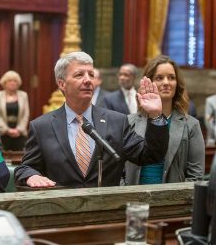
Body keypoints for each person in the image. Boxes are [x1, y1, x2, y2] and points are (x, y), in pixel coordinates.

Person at [14, 51, 169, 188]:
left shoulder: (117, 121)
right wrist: (32, 176)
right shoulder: (41, 127)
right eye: (79, 75)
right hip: (60, 213)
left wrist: (155, 116)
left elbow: (150, 155)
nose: (88, 80)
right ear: (62, 84)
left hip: (107, 213)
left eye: (91, 74)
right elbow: (24, 168)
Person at [125, 55, 205, 185]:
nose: (166, 82)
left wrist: (175, 202)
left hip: (173, 202)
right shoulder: (129, 122)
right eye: (159, 78)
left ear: (177, 83)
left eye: (171, 78)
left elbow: (195, 177)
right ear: (149, 83)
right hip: (133, 201)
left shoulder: (191, 125)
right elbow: (119, 171)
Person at [0, 70, 29, 151]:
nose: (12, 83)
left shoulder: (23, 95)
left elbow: (26, 114)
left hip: (19, 133)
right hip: (3, 133)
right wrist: (7, 130)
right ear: (4, 82)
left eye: (15, 81)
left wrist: (19, 129)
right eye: (10, 81)